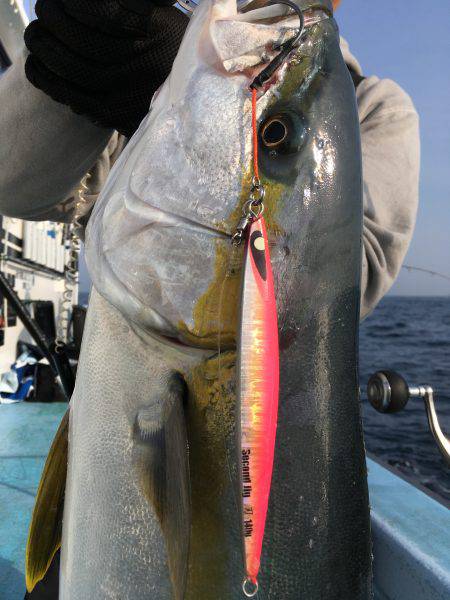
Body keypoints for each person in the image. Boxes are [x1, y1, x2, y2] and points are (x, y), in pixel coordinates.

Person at [0, 0, 419, 321]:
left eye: (279, 134)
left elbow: (342, 291)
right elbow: (16, 190)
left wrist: (198, 124)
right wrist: (79, 57)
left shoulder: (375, 107)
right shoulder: (170, 41)